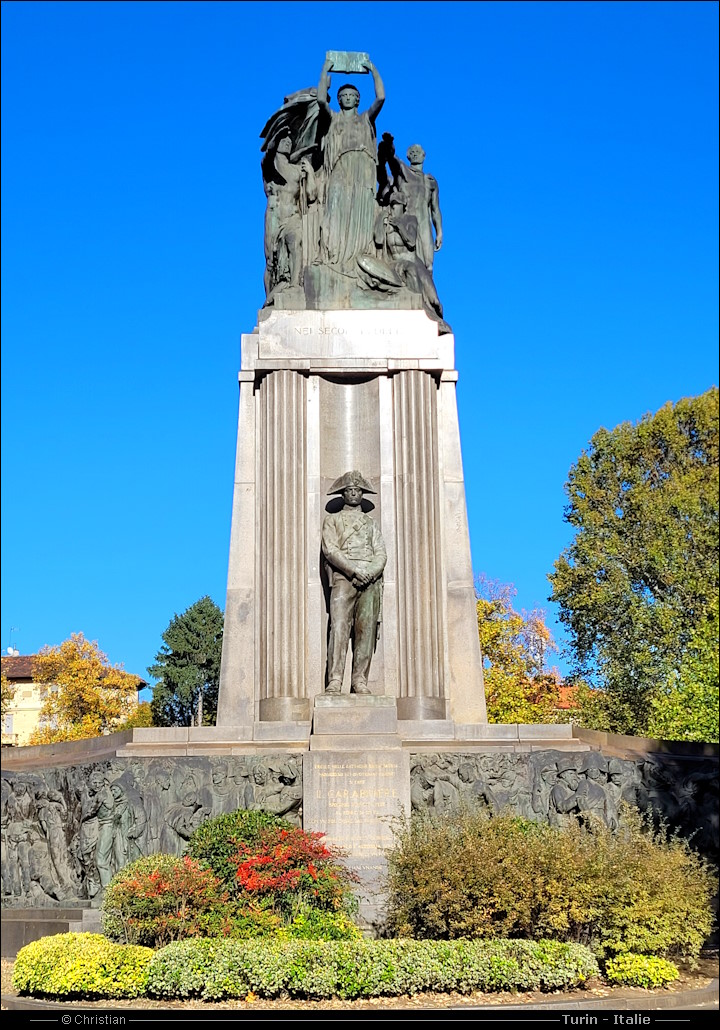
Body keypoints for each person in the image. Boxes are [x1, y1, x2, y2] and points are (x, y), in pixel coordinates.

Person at [321, 471, 387, 695]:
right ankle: (335, 680)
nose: (353, 494)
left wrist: (369, 571)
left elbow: (381, 553)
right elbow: (330, 549)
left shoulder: (371, 524)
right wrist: (353, 569)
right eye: (349, 490)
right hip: (344, 577)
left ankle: (359, 680)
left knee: (365, 632)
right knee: (338, 629)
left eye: (358, 490)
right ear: (343, 493)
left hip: (370, 579)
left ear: (362, 493)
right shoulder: (333, 520)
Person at [317, 57, 385, 270]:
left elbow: (381, 98)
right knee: (335, 208)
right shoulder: (335, 119)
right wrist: (323, 74)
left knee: (360, 210)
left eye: (351, 95)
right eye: (343, 95)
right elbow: (320, 101)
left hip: (362, 166)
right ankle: (333, 256)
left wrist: (374, 71)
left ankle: (357, 258)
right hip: (341, 164)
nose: (347, 98)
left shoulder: (365, 118)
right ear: (339, 100)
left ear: (357, 100)